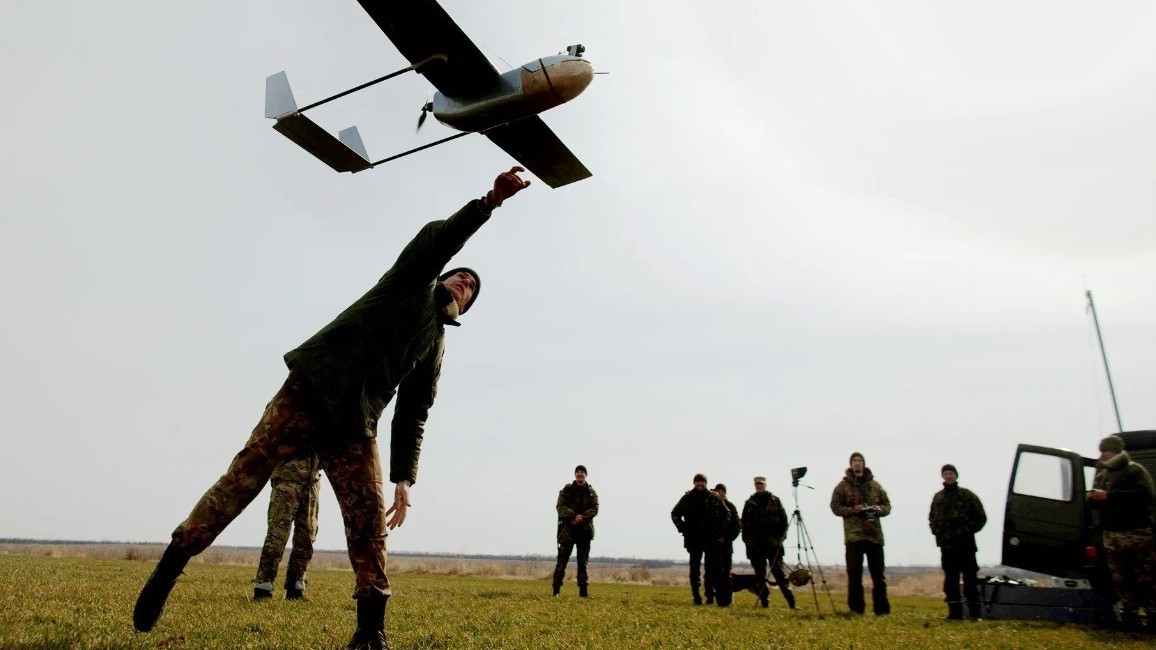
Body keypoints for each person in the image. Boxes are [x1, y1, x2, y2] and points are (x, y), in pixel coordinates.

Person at [133, 168, 532, 650]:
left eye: (472, 287)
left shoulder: (436, 345)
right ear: (442, 276)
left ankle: (370, 630)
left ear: (464, 310)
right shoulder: (410, 282)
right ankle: (172, 563)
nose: (465, 281)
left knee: (366, 522)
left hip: (353, 424)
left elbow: (414, 413)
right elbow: (437, 241)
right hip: (310, 389)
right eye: (460, 274)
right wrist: (490, 202)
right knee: (245, 475)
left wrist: (404, 479)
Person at [1087, 434, 1155, 630]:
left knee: (1144, 577)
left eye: (1105, 451)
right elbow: (1097, 500)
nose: (1102, 456)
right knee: (1120, 578)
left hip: (1135, 534)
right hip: (1112, 535)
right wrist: (1092, 498)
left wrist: (1109, 496)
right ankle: (1130, 615)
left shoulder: (1134, 471)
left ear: (1114, 451)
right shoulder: (1104, 474)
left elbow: (1144, 495)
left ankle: (1151, 614)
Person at [252, 452, 322, 601]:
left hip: (312, 482)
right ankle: (263, 588)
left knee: (307, 536)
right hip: (287, 480)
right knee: (277, 536)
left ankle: (295, 588)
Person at [830, 451, 891, 615]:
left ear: (863, 464)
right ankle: (856, 609)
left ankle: (882, 610)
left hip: (874, 536)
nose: (857, 463)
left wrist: (879, 509)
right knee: (854, 576)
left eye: (859, 461)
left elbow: (887, 506)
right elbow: (835, 507)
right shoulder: (843, 486)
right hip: (854, 536)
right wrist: (853, 510)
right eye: (854, 461)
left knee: (878, 576)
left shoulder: (875, 486)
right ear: (851, 464)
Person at [927, 463, 987, 620]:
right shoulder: (938, 497)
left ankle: (975, 614)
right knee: (950, 582)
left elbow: (981, 517)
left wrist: (967, 531)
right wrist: (937, 531)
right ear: (943, 476)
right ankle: (954, 614)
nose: (948, 476)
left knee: (970, 582)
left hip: (966, 545)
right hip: (947, 547)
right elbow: (932, 518)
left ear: (956, 475)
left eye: (951, 473)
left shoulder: (967, 495)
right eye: (945, 473)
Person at [671, 473, 730, 605]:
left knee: (712, 569)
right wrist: (683, 528)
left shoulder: (713, 497)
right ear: (694, 483)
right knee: (694, 569)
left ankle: (711, 597)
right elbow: (675, 514)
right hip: (694, 539)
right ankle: (696, 596)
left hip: (710, 539)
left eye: (702, 481)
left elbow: (727, 514)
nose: (700, 484)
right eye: (698, 481)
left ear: (706, 483)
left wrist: (718, 531)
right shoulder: (687, 498)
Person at [741, 476, 795, 609]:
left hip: (773, 545)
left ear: (765, 485)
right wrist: (748, 542)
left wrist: (780, 539)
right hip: (756, 546)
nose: (759, 486)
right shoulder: (749, 503)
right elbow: (744, 525)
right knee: (760, 576)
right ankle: (764, 602)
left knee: (779, 574)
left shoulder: (775, 501)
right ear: (755, 485)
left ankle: (791, 603)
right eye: (757, 484)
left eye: (761, 484)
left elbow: (784, 521)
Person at [552, 464, 599, 598]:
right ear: (575, 475)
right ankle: (556, 591)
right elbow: (559, 506)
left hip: (584, 530)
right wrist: (573, 516)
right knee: (562, 561)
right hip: (568, 530)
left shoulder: (591, 492)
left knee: (583, 563)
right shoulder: (566, 490)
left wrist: (582, 517)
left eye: (582, 472)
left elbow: (595, 508)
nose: (579, 474)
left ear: (585, 475)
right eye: (577, 472)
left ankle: (583, 593)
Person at [713, 483, 741, 607]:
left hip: (726, 546)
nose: (719, 493)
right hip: (713, 545)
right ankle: (719, 600)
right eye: (717, 491)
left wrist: (727, 539)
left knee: (726, 574)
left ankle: (728, 600)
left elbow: (737, 526)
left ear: (725, 492)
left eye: (721, 491)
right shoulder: (712, 506)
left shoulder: (731, 507)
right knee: (716, 572)